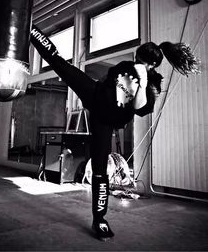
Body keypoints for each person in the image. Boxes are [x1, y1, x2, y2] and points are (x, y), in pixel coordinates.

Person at [30, 24, 200, 241]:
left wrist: (144, 80)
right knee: (60, 63)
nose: (137, 63)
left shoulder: (153, 83)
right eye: (137, 59)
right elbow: (113, 88)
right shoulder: (124, 66)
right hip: (94, 95)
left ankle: (99, 219)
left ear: (152, 65)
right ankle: (31, 29)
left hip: (105, 121)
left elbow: (139, 108)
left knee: (100, 169)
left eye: (142, 62)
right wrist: (133, 73)